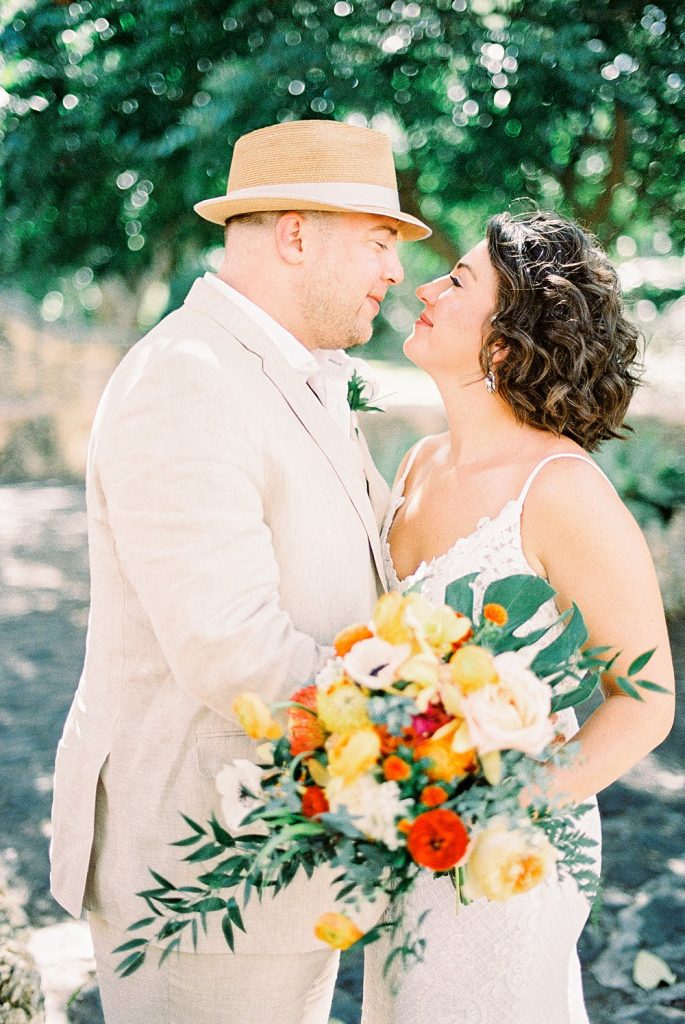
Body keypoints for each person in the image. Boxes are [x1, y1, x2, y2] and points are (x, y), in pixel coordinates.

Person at [49, 119, 431, 1024]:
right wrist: (431, 739)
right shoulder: (189, 377)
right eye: (380, 241)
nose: (395, 271)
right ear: (296, 234)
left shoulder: (289, 371)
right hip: (201, 863)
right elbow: (232, 650)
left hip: (286, 854)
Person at [362, 209, 675, 1024]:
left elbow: (646, 699)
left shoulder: (561, 491)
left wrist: (500, 805)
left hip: (507, 852)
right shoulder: (419, 463)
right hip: (406, 839)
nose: (423, 285)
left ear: (503, 342)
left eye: (458, 280)